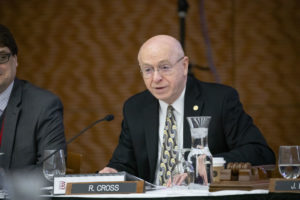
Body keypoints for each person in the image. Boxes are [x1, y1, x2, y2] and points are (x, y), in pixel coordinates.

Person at [100, 35, 275, 185]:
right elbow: (124, 163)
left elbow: (260, 153)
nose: (156, 78)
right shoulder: (135, 108)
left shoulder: (220, 100)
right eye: (148, 70)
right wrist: (112, 171)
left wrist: (212, 166)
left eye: (164, 67)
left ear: (184, 66)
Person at [0, 24, 66, 171]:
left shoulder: (44, 106)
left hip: (18, 194)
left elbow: (51, 172)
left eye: (2, 57)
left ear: (15, 60)